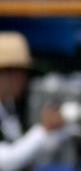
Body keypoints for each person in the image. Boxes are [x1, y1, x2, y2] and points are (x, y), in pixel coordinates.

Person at [0, 32, 70, 171]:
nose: (24, 80)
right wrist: (43, 130)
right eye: (20, 72)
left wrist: (57, 131)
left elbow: (30, 154)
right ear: (4, 73)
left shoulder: (9, 108)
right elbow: (5, 162)